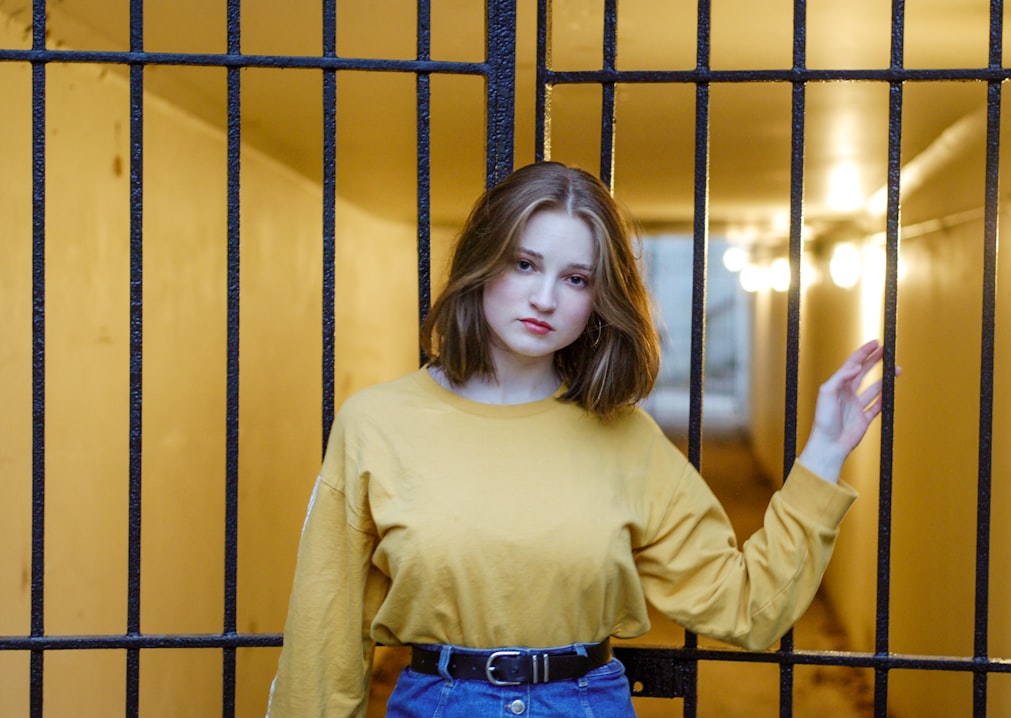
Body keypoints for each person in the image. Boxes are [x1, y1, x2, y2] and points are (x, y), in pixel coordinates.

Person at [265, 161, 890, 717]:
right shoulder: (376, 423)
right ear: (483, 263)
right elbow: (327, 623)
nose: (544, 298)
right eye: (525, 263)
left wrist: (823, 454)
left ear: (600, 298)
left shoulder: (625, 437)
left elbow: (747, 609)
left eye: (576, 279)